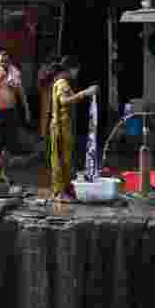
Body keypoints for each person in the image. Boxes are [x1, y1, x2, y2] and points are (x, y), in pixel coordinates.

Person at [48, 56, 98, 202]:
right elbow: (64, 101)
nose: (77, 73)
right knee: (60, 160)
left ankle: (65, 189)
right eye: (76, 70)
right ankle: (59, 193)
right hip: (60, 127)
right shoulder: (62, 82)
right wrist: (86, 93)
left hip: (64, 126)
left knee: (66, 159)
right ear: (71, 69)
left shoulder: (62, 81)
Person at [0, 50, 29, 161]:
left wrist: (27, 110)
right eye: (2, 61)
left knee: (11, 143)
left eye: (6, 61)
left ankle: (5, 169)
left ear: (9, 62)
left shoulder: (14, 75)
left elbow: (21, 93)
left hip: (11, 112)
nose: (4, 64)